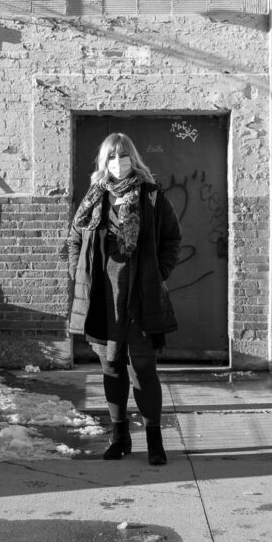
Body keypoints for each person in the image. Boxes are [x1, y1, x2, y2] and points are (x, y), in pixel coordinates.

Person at [67, 132, 182, 465]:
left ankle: (155, 440)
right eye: (112, 157)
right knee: (112, 368)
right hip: (102, 298)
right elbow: (74, 237)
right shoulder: (93, 198)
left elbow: (172, 238)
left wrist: (157, 273)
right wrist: (79, 274)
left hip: (140, 296)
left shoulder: (152, 197)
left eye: (123, 155)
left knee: (143, 368)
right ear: (104, 162)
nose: (118, 162)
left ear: (134, 158)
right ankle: (119, 437)